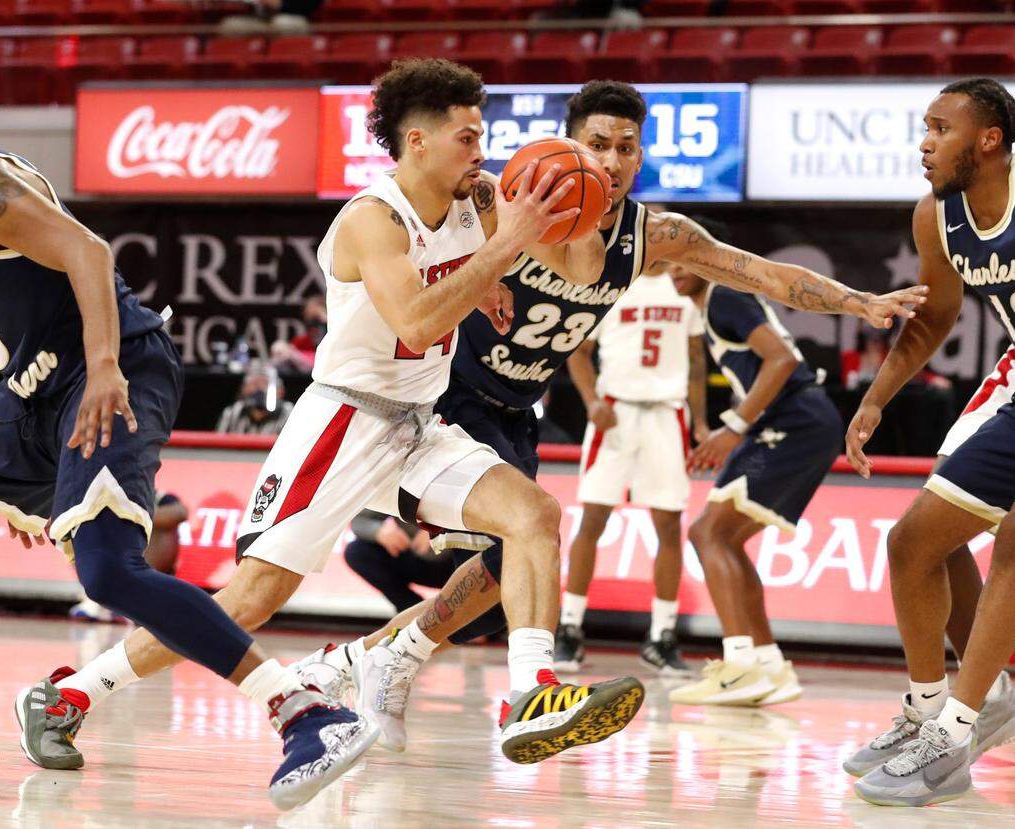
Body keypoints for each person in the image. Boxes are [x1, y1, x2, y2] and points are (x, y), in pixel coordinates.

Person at [18, 59, 647, 769]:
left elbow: (583, 271)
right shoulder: (371, 220)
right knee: (252, 598)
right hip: (344, 422)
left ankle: (531, 693)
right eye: (468, 138)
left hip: (418, 420)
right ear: (417, 142)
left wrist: (579, 188)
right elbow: (413, 322)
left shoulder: (481, 199)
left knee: (533, 515)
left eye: (482, 136)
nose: (482, 152)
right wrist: (500, 253)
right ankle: (68, 692)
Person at [287, 78, 927, 752]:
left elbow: (760, 274)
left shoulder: (654, 235)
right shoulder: (500, 194)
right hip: (445, 395)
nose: (613, 160)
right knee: (522, 536)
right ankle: (524, 691)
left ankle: (375, 657)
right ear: (570, 144)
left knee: (499, 587)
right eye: (598, 144)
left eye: (627, 147)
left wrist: (857, 301)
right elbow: (410, 206)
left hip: (516, 409)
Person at [0, 53, 375, 810]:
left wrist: (105, 367)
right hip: (37, 389)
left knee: (108, 572)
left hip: (106, 370)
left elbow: (90, 251)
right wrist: (27, 479)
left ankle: (308, 710)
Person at [842, 78, 1015, 807]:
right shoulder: (935, 217)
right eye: (923, 127)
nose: (923, 141)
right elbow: (933, 317)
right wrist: (874, 400)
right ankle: (931, 706)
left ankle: (958, 731)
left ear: (989, 139)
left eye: (939, 128)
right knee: (915, 543)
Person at [664, 264, 842, 706]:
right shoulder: (710, 307)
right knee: (722, 538)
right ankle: (768, 665)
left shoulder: (726, 295)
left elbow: (781, 359)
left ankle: (740, 664)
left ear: (706, 258)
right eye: (665, 261)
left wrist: (734, 427)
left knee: (708, 533)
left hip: (795, 421)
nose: (673, 270)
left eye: (682, 259)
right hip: (791, 422)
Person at [556, 262, 707, 675]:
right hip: (616, 412)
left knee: (669, 525)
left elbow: (696, 360)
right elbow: (578, 353)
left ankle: (662, 635)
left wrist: (702, 422)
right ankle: (569, 628)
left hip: (667, 414)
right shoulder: (611, 283)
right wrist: (591, 402)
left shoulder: (684, 285)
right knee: (592, 520)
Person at [69, 490, 188, 622]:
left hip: (146, 569)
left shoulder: (162, 499)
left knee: (158, 524)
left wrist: (132, 514)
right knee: (87, 525)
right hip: (111, 566)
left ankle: (133, 599)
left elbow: (181, 513)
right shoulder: (102, 491)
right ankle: (98, 596)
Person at [344, 510, 454, 614]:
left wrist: (442, 529)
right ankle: (416, 614)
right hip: (420, 557)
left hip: (461, 556)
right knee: (357, 552)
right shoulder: (394, 490)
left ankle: (465, 621)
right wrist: (379, 531)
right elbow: (359, 520)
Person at [215, 361, 293, 435]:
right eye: (254, 384)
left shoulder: (289, 413)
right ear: (243, 389)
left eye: (265, 383)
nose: (259, 388)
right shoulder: (233, 412)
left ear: (280, 391)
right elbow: (217, 442)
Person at [270, 293, 326, 375]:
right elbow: (300, 344)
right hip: (307, 360)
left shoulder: (330, 325)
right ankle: (266, 369)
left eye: (314, 308)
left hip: (323, 361)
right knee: (279, 346)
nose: (311, 311)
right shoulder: (310, 330)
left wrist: (322, 315)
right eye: (309, 309)